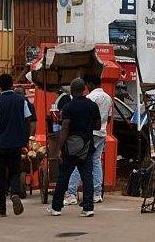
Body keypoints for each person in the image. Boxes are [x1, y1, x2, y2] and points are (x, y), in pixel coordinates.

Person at [49, 78, 100, 217]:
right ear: (84, 89)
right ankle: (88, 208)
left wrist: (59, 147)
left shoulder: (68, 107)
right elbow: (98, 125)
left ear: (71, 90)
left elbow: (65, 127)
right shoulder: (92, 105)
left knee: (63, 177)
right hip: (87, 147)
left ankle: (56, 208)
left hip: (69, 149)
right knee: (87, 177)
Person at [64, 73, 112, 206]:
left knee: (78, 161)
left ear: (90, 84)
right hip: (102, 132)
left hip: (88, 134)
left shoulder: (90, 98)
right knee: (96, 162)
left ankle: (71, 193)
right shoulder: (108, 98)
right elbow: (109, 119)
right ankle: (97, 193)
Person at [0, 74, 34, 217]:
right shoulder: (21, 100)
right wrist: (24, 139)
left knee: (0, 175)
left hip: (0, 143)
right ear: (12, 84)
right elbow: (28, 120)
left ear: (0, 86)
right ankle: (14, 193)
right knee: (14, 171)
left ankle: (1, 210)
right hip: (16, 143)